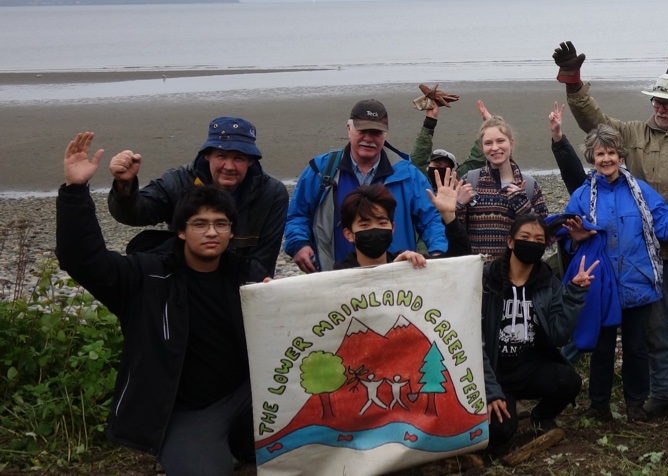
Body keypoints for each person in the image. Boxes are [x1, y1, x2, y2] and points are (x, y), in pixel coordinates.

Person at [58, 132, 269, 475]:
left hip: (247, 396)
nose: (212, 232)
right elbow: (82, 259)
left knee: (307, 446)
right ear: (181, 231)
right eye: (199, 224)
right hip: (187, 411)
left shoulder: (247, 275)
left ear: (232, 231)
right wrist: (75, 191)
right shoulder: (144, 278)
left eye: (221, 224)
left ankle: (246, 447)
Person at [557, 37, 668, 417]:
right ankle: (661, 394)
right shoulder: (633, 134)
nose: (660, 108)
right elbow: (594, 122)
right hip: (647, 251)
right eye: (656, 101)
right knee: (654, 329)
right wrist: (573, 82)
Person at [562, 126, 668, 422]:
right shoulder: (580, 196)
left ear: (621, 155)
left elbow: (665, 229)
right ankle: (599, 405)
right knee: (601, 349)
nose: (606, 159)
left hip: (637, 283)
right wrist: (574, 238)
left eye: (611, 152)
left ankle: (635, 405)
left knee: (636, 348)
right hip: (599, 285)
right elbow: (565, 238)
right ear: (592, 156)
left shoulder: (641, 191)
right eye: (600, 153)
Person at [284, 99, 449, 273]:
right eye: (362, 130)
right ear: (349, 129)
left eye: (376, 132)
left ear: (385, 134)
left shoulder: (408, 175)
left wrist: (437, 254)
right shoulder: (321, 171)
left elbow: (431, 220)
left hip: (396, 278)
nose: (368, 139)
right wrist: (298, 243)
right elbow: (297, 215)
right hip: (334, 276)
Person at [107, 116, 288, 272]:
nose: (229, 167)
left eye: (238, 158)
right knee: (144, 246)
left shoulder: (272, 193)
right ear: (207, 155)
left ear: (250, 161)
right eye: (221, 156)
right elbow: (134, 214)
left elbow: (263, 260)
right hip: (187, 273)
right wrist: (125, 185)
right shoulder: (178, 181)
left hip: (240, 276)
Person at [481, 214, 591, 450]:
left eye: (538, 239)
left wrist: (574, 294)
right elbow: (474, 341)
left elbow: (559, 335)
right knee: (499, 433)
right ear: (510, 242)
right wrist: (490, 390)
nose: (531, 242)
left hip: (528, 367)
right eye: (525, 237)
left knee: (569, 380)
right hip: (494, 372)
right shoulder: (486, 280)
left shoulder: (548, 283)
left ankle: (541, 417)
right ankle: (499, 406)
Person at [456, 114, 548, 258]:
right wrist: (459, 205)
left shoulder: (529, 185)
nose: (495, 148)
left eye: (500, 141)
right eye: (488, 143)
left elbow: (545, 236)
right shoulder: (469, 180)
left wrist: (523, 206)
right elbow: (454, 234)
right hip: (477, 272)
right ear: (481, 147)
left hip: (515, 272)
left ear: (511, 143)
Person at [329, 184, 447, 270]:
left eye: (382, 223)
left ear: (392, 228)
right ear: (349, 234)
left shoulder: (409, 264)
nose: (375, 229)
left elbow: (456, 264)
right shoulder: (338, 277)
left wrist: (450, 217)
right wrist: (390, 273)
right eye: (365, 225)